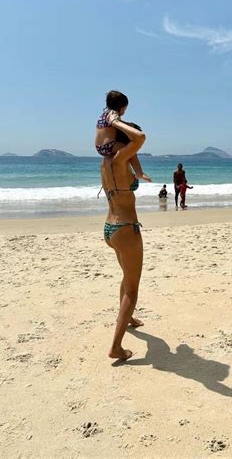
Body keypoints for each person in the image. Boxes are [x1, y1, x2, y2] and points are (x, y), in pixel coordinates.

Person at [100, 114, 147, 361]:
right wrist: (117, 121)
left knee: (126, 277)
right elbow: (139, 139)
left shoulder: (107, 162)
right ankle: (116, 347)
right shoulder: (120, 161)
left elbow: (133, 148)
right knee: (132, 287)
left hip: (109, 227)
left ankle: (127, 317)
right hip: (126, 228)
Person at [95, 90, 151, 183]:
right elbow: (115, 122)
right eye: (125, 108)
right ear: (120, 107)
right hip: (109, 146)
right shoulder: (114, 114)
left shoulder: (104, 115)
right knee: (131, 151)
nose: (125, 111)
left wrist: (129, 124)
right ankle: (139, 172)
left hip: (99, 147)